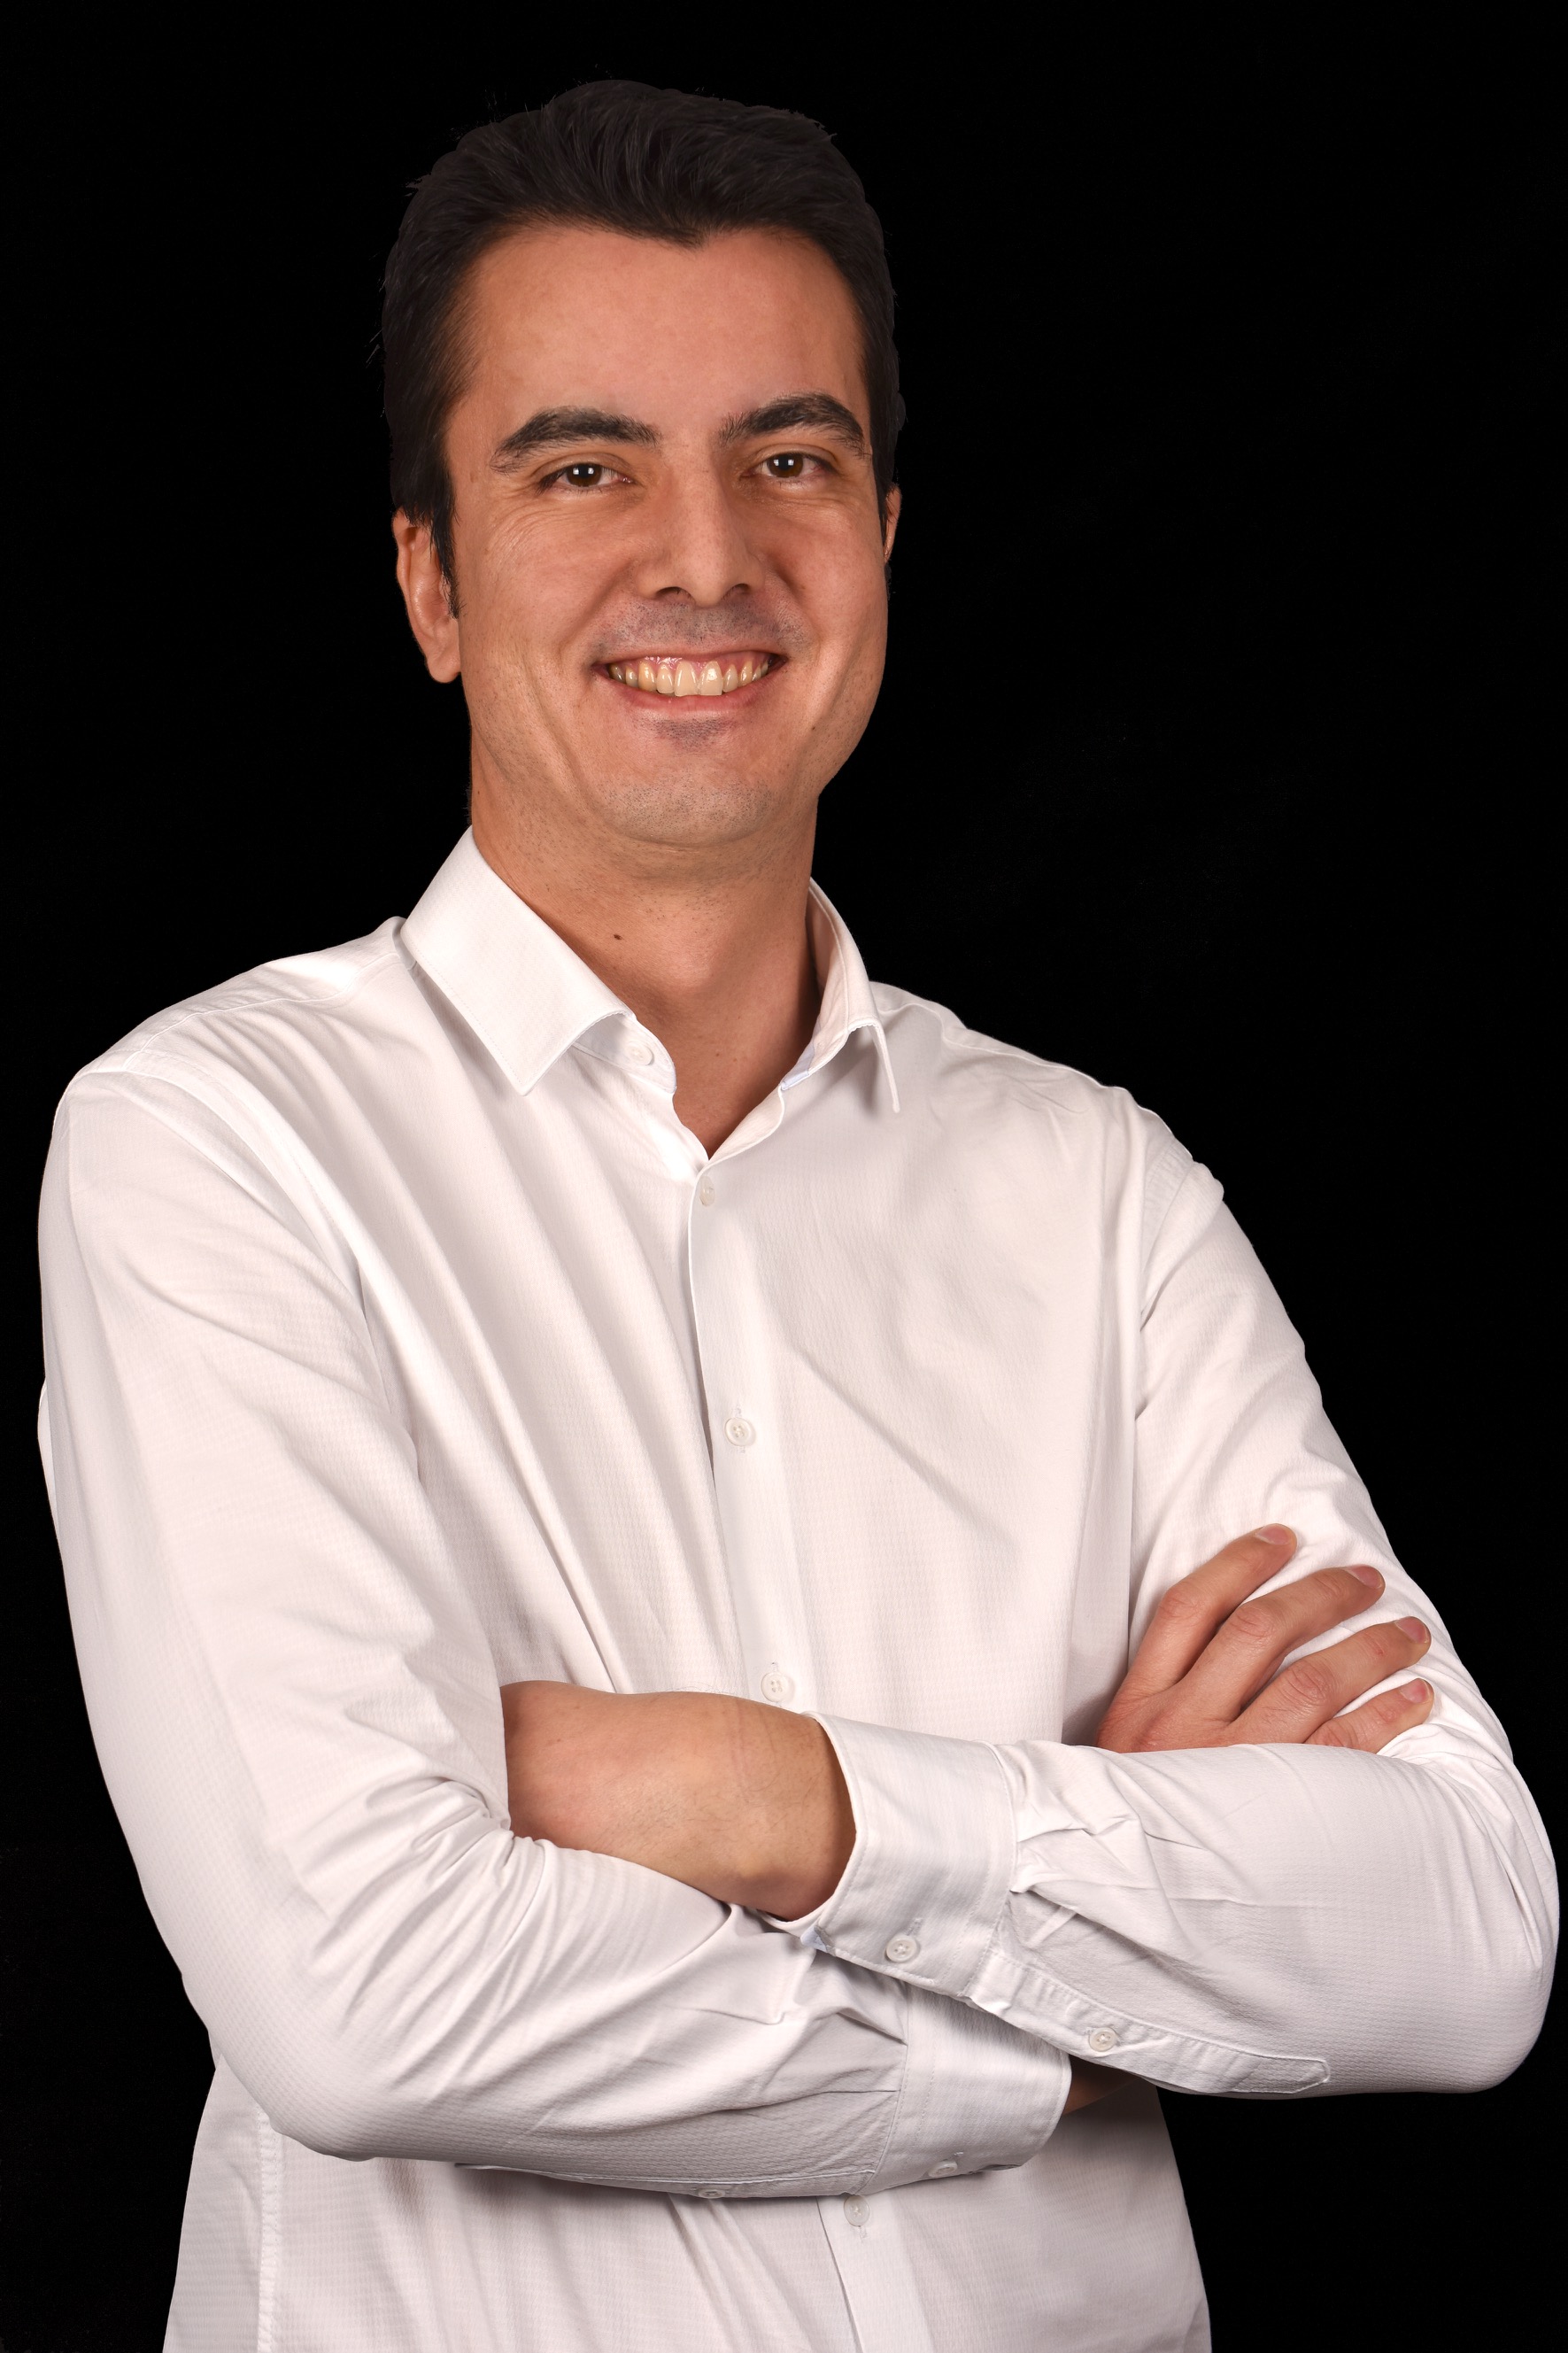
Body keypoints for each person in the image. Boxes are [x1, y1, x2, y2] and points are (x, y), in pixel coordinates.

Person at [38, 81, 1553, 2353]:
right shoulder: (217, 1141)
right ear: (431, 584)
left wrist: (770, 1801)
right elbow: (364, 1997)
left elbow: (1459, 1931)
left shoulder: (1098, 1190)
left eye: (790, 459)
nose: (707, 558)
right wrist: (1075, 1965)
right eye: (582, 470)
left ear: (881, 532)